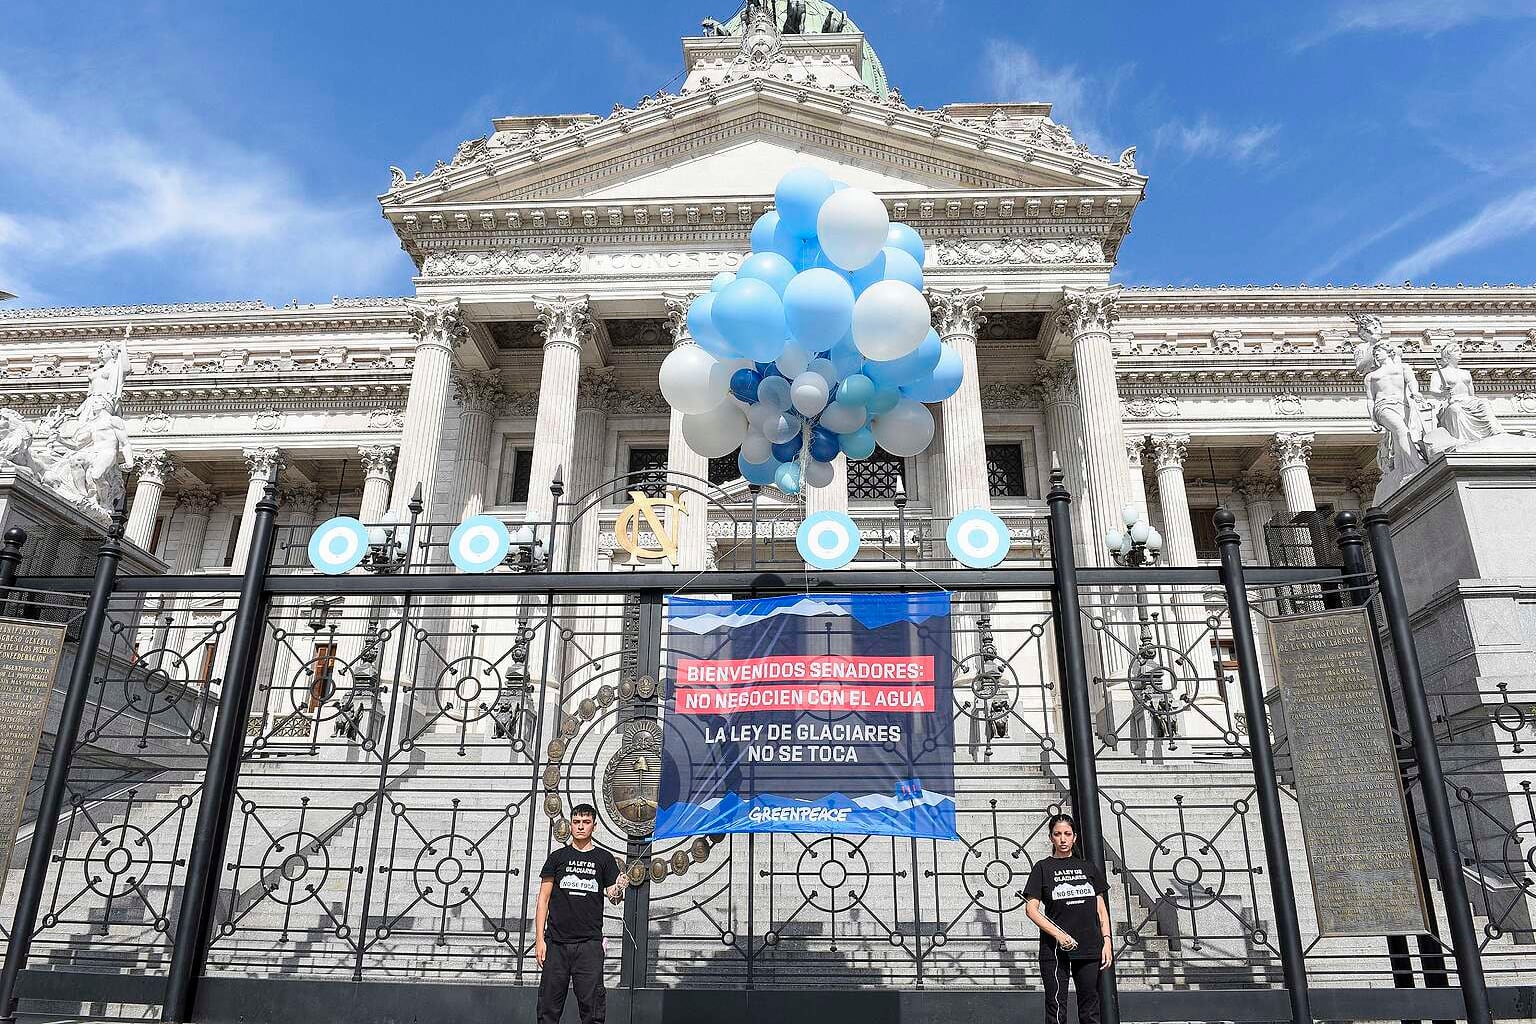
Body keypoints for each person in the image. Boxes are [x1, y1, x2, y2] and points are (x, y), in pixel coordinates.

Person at [535, 804, 627, 1024]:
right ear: (570, 825)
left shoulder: (604, 859)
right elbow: (543, 899)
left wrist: (619, 886)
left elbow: (613, 897)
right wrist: (539, 939)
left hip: (589, 945)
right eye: (576, 822)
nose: (580, 827)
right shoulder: (557, 857)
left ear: (594, 826)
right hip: (556, 943)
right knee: (548, 1008)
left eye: (586, 823)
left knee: (593, 1010)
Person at [1024, 814, 1113, 1024]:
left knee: (1090, 1008)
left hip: (1090, 945)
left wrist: (1107, 940)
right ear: (1051, 838)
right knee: (1056, 1009)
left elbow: (1100, 907)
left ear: (1074, 838)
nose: (1062, 839)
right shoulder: (1042, 868)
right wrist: (1059, 935)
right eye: (1057, 834)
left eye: (1067, 834)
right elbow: (1031, 909)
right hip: (1055, 950)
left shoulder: (1088, 867)